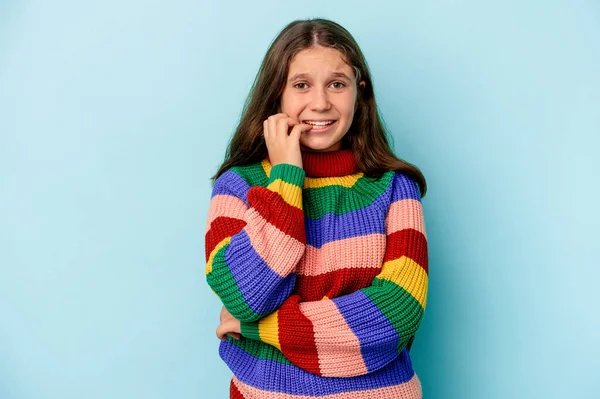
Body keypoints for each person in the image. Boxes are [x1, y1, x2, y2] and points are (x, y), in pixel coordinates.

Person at [204, 17, 429, 399]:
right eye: (302, 85)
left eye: (337, 84)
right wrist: (287, 175)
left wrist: (259, 328)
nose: (321, 102)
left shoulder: (395, 188)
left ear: (359, 93)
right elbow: (244, 296)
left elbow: (395, 316)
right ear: (278, 93)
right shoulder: (238, 186)